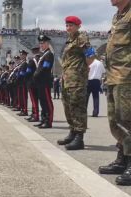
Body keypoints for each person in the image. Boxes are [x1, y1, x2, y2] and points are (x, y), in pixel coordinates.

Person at [98, 0, 131, 186]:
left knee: (127, 119)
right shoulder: (118, 16)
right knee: (116, 120)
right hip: (113, 75)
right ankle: (123, 158)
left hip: (127, 75)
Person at [57, 16, 89, 150]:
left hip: (76, 79)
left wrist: (82, 71)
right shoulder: (69, 40)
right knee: (68, 106)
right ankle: (72, 132)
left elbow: (91, 56)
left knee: (77, 107)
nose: (68, 28)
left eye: (71, 25)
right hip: (67, 79)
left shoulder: (81, 38)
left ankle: (79, 137)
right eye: (67, 25)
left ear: (78, 26)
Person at [33, 35, 54, 129]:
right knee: (42, 101)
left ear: (47, 43)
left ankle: (48, 121)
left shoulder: (49, 54)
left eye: (43, 43)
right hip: (40, 82)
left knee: (47, 102)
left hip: (45, 81)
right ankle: (43, 119)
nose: (41, 45)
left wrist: (36, 75)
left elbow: (46, 67)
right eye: (40, 43)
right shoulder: (43, 55)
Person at [86, 48, 105, 117]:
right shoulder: (100, 63)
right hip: (97, 81)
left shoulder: (89, 63)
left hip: (88, 81)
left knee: (86, 97)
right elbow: (103, 71)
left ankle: (84, 111)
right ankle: (95, 112)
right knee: (96, 97)